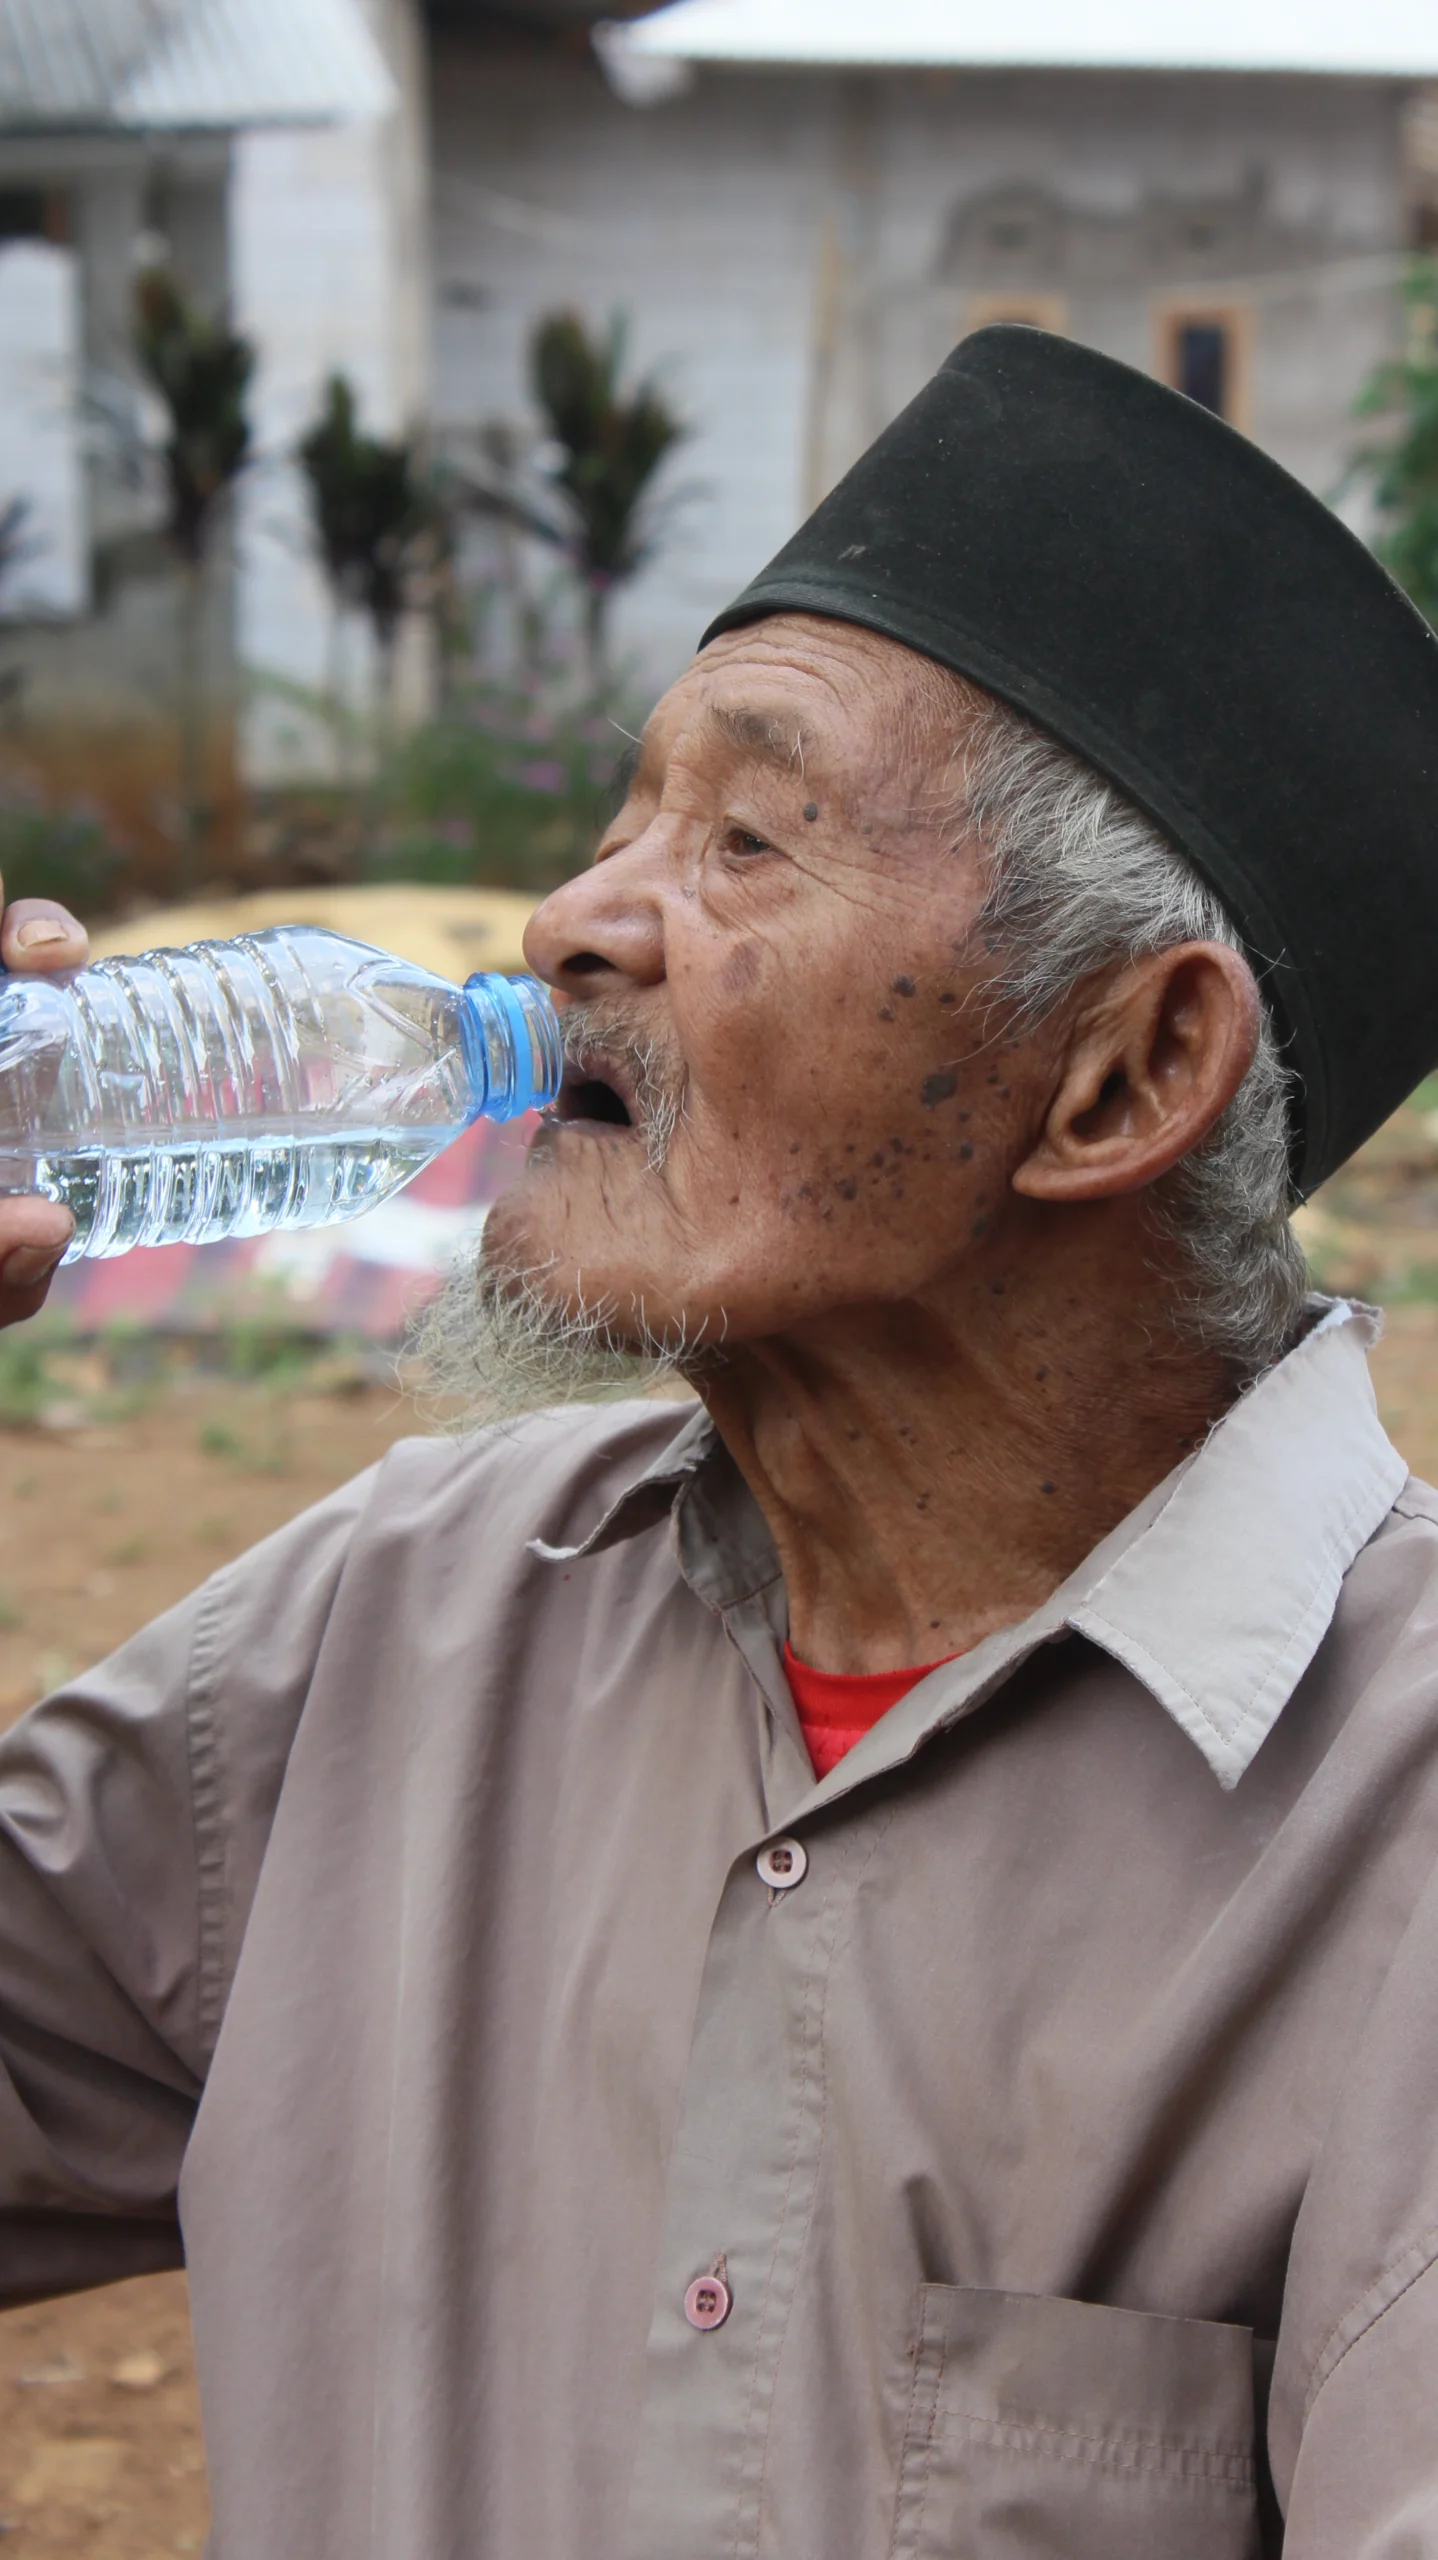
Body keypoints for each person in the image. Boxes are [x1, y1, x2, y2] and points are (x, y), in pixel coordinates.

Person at [0, 327, 1436, 2559]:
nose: (576, 919)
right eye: (622, 815)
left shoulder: (1394, 1832)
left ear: (1120, 1076)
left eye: (747, 836)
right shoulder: (410, 1609)